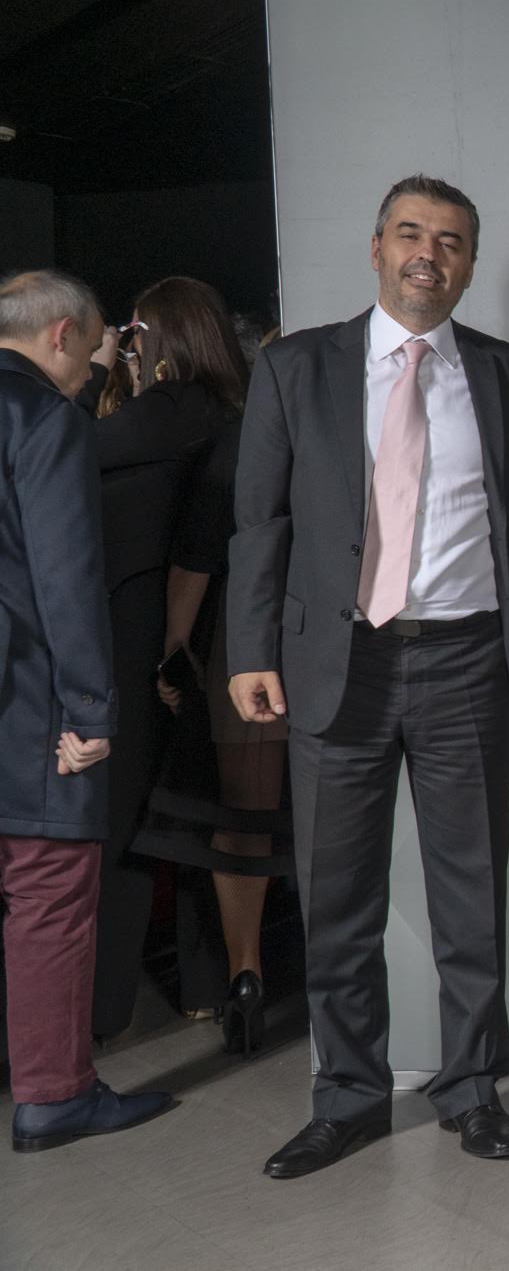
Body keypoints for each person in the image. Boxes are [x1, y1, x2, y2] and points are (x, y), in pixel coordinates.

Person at [228, 175, 509, 1178]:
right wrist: (250, 650)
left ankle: (471, 1087)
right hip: (338, 661)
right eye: (410, 233)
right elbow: (259, 520)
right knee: (338, 898)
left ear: (469, 262)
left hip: (464, 659)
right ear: (376, 248)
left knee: (471, 895)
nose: (428, 254)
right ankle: (348, 1096)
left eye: (450, 240)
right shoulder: (295, 367)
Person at [0, 269, 175, 1152]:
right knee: (49, 890)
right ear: (62, 334)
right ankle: (54, 1094)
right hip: (29, 702)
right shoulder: (45, 418)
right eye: (98, 341)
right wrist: (93, 711)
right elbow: (66, 578)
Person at [75, 279, 241, 1041]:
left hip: (148, 633)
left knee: (129, 824)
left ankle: (105, 1009)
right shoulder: (230, 412)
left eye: (135, 331)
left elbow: (58, 453)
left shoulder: (167, 408)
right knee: (198, 815)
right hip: (218, 636)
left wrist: (94, 373)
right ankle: (208, 985)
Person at [137, 278, 288, 1050]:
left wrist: (168, 649)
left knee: (241, 821)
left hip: (241, 634)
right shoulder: (263, 418)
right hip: (314, 626)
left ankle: (244, 972)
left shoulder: (216, 433)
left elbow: (197, 557)